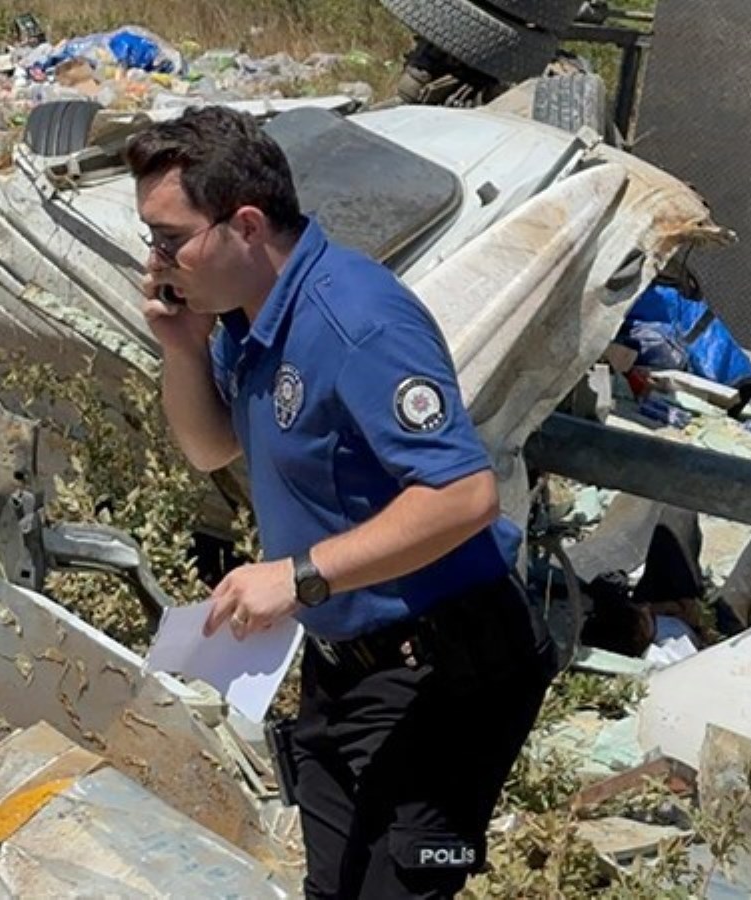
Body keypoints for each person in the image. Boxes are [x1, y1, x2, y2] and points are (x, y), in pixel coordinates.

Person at [127, 106, 554, 898]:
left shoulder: (354, 319)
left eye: (168, 238)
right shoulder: (244, 319)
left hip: (443, 664)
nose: (156, 260)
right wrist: (180, 347)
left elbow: (462, 494)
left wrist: (299, 577)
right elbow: (210, 447)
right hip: (344, 664)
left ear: (244, 225)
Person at [576, 502, 751, 657]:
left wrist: (658, 610)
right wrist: (702, 624)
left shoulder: (630, 620)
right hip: (709, 634)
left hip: (669, 613)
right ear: (640, 637)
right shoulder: (667, 660)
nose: (645, 610)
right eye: (643, 616)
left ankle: (677, 601)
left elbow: (632, 612)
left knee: (677, 510)